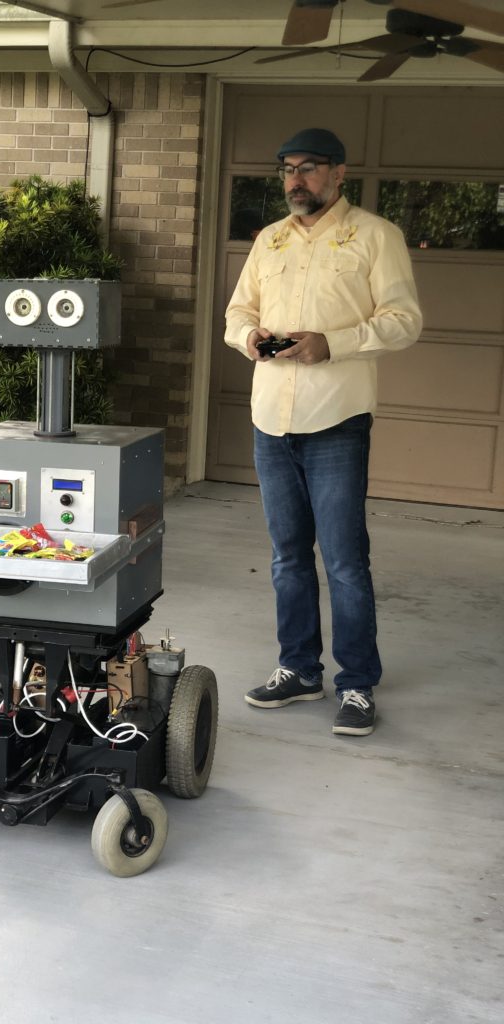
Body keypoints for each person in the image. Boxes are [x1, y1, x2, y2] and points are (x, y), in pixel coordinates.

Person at [224, 127, 422, 737]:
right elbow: (238, 312)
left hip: (336, 420)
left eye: (308, 169)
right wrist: (249, 338)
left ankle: (357, 684)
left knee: (343, 561)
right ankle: (298, 669)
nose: (295, 181)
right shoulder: (270, 240)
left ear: (339, 174)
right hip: (270, 421)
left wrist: (331, 344)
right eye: (287, 169)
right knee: (287, 558)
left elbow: (404, 320)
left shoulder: (375, 236)